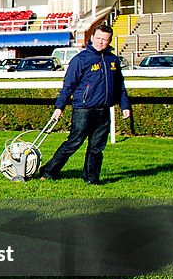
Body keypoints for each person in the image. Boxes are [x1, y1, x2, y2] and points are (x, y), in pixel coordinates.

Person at [38, 24, 131, 184]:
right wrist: (59, 107)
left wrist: (124, 105)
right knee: (74, 143)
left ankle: (91, 179)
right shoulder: (80, 60)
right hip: (83, 110)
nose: (101, 42)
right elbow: (68, 86)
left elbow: (119, 85)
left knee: (97, 147)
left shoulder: (113, 60)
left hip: (103, 110)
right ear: (93, 37)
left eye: (105, 40)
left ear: (109, 41)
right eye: (99, 38)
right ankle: (48, 171)